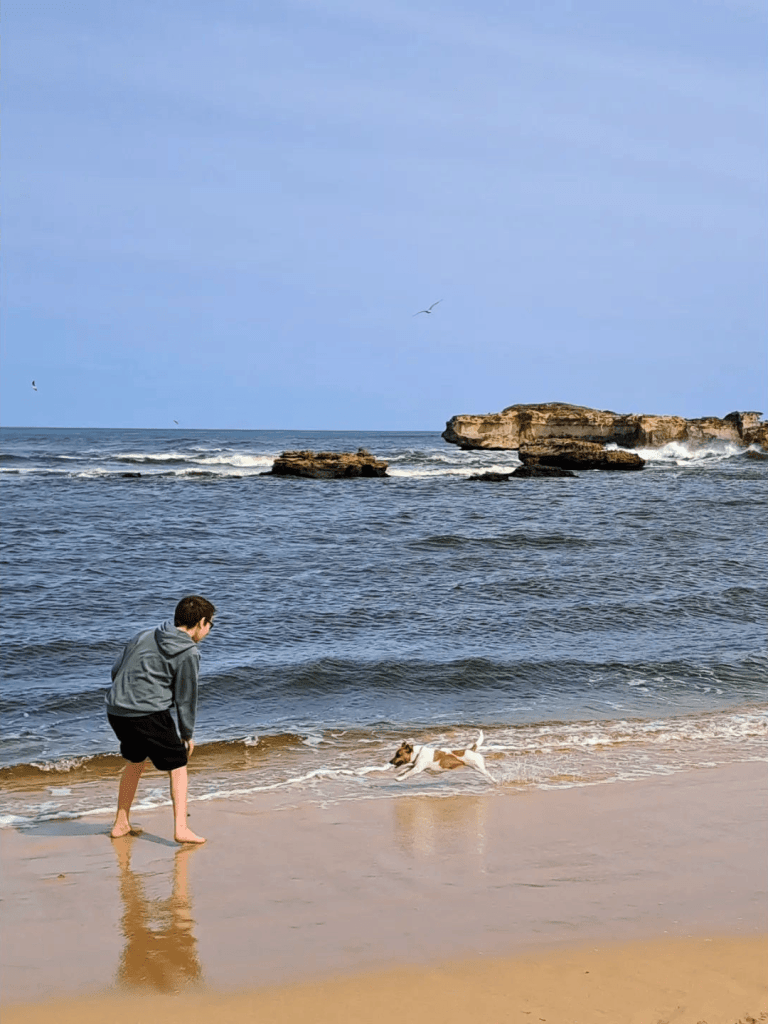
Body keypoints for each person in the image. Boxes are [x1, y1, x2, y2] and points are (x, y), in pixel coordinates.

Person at [106, 595, 215, 844]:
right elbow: (186, 698)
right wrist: (187, 735)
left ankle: (121, 823)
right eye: (210, 624)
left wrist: (127, 695)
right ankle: (181, 829)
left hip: (117, 709)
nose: (209, 630)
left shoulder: (145, 634)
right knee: (178, 764)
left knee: (136, 760)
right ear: (201, 622)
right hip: (148, 712)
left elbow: (116, 670)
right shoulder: (188, 652)